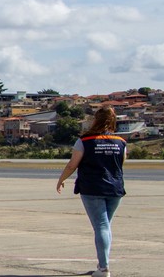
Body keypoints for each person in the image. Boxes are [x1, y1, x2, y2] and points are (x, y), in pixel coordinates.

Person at [57, 107, 126, 277]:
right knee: (105, 226)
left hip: (92, 188)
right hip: (115, 188)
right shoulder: (121, 142)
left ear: (96, 119)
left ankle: (103, 268)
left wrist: (62, 179)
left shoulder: (85, 140)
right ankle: (103, 264)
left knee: (101, 227)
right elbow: (120, 164)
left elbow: (72, 164)